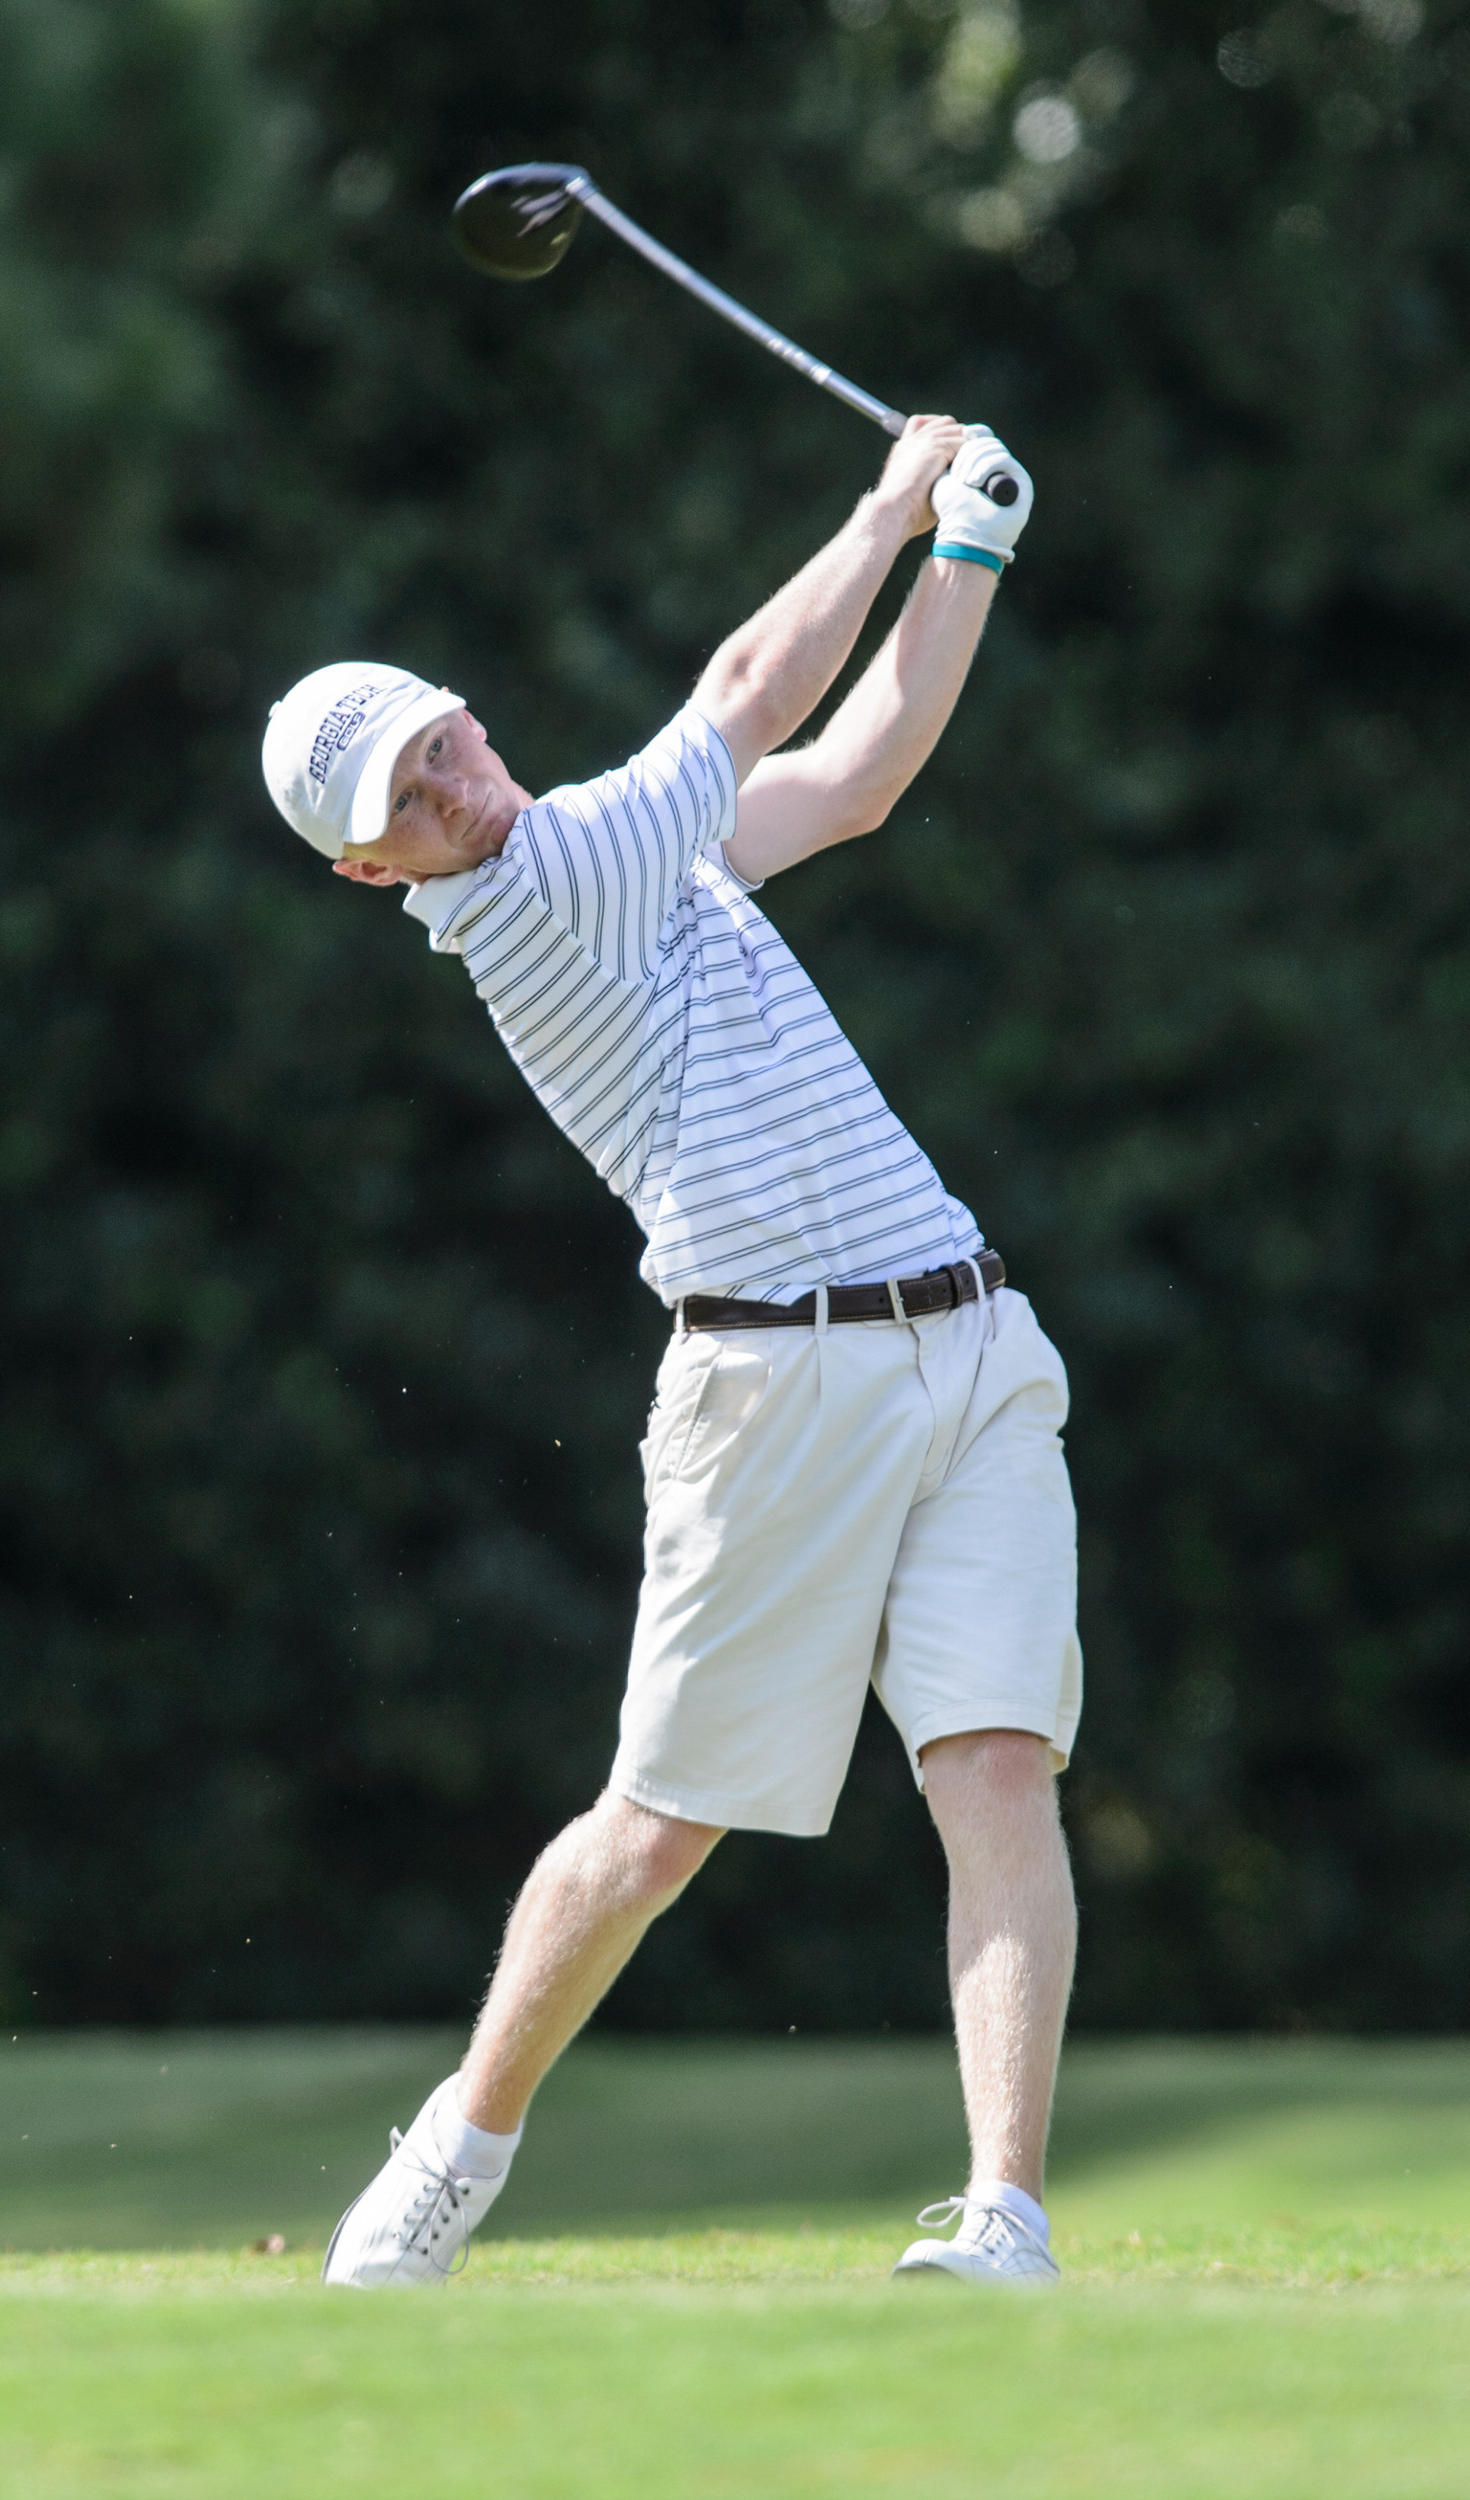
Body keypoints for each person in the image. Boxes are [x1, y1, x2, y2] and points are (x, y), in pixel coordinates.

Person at [262, 416, 1079, 2290]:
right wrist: (889, 500)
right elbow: (742, 687)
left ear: (466, 716)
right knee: (652, 1835)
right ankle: (454, 2155)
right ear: (376, 874)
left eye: (434, 742)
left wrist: (968, 555)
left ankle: (1007, 2219)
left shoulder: (633, 855)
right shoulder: (537, 901)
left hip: (965, 1344)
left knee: (997, 1768)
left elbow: (855, 774)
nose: (447, 788)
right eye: (402, 799)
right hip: (768, 1392)